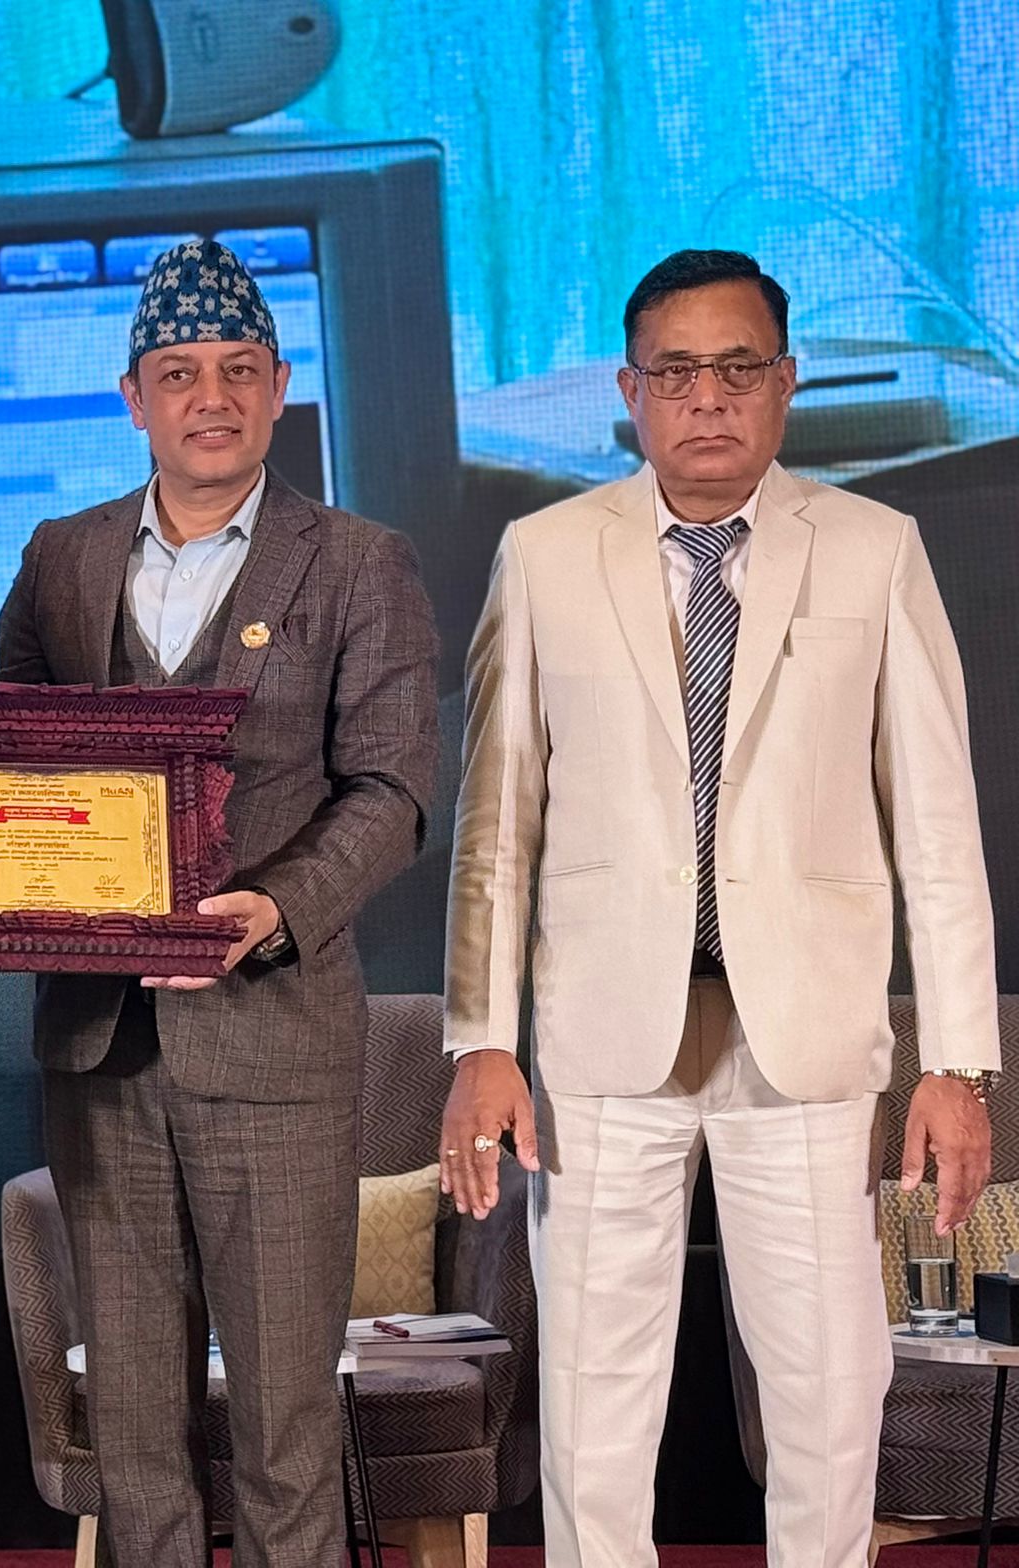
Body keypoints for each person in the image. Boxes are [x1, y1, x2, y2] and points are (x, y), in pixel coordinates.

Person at [441, 248, 998, 1567]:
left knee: (828, 1393)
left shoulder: (874, 550)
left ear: (787, 383)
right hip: (600, 1039)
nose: (709, 397)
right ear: (629, 390)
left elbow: (938, 828)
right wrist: (481, 1039)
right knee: (591, 1402)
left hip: (800, 1032)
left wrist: (958, 1061)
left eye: (739, 368)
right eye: (678, 371)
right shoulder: (544, 555)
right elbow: (494, 826)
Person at [0, 237, 439, 1567]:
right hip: (100, 1048)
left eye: (241, 368)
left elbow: (393, 789)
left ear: (282, 387)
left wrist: (271, 909)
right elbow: (11, 767)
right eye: (180, 371)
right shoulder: (62, 556)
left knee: (285, 1422)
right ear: (133, 397)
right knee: (134, 1427)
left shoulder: (358, 560)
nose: (212, 396)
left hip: (275, 1039)